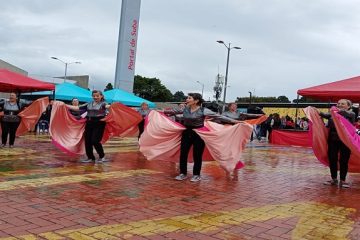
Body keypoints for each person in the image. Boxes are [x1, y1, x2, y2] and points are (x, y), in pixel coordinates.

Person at [165, 93, 240, 182]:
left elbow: (219, 116)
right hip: (186, 132)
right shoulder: (185, 109)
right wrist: (157, 111)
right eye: (187, 98)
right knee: (183, 154)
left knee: (197, 155)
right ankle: (183, 173)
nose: (187, 100)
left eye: (189, 98)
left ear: (196, 101)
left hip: (199, 134)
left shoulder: (204, 110)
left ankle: (196, 175)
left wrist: (235, 121)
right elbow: (171, 111)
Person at [320, 99, 355, 188]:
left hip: (345, 141)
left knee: (344, 160)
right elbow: (323, 115)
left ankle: (343, 180)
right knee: (332, 159)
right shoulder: (333, 114)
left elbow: (343, 113)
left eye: (342, 104)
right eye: (338, 103)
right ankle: (334, 179)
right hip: (332, 140)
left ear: (349, 106)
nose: (339, 105)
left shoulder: (351, 114)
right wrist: (315, 111)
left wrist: (334, 111)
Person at [66, 90, 110, 163]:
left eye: (97, 96)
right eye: (94, 96)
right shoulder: (89, 104)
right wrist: (65, 105)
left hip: (99, 123)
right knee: (87, 141)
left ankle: (102, 156)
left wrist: (113, 106)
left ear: (101, 96)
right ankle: (90, 158)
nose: (95, 97)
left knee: (95, 141)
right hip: (89, 122)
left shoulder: (103, 104)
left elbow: (107, 106)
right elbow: (77, 108)